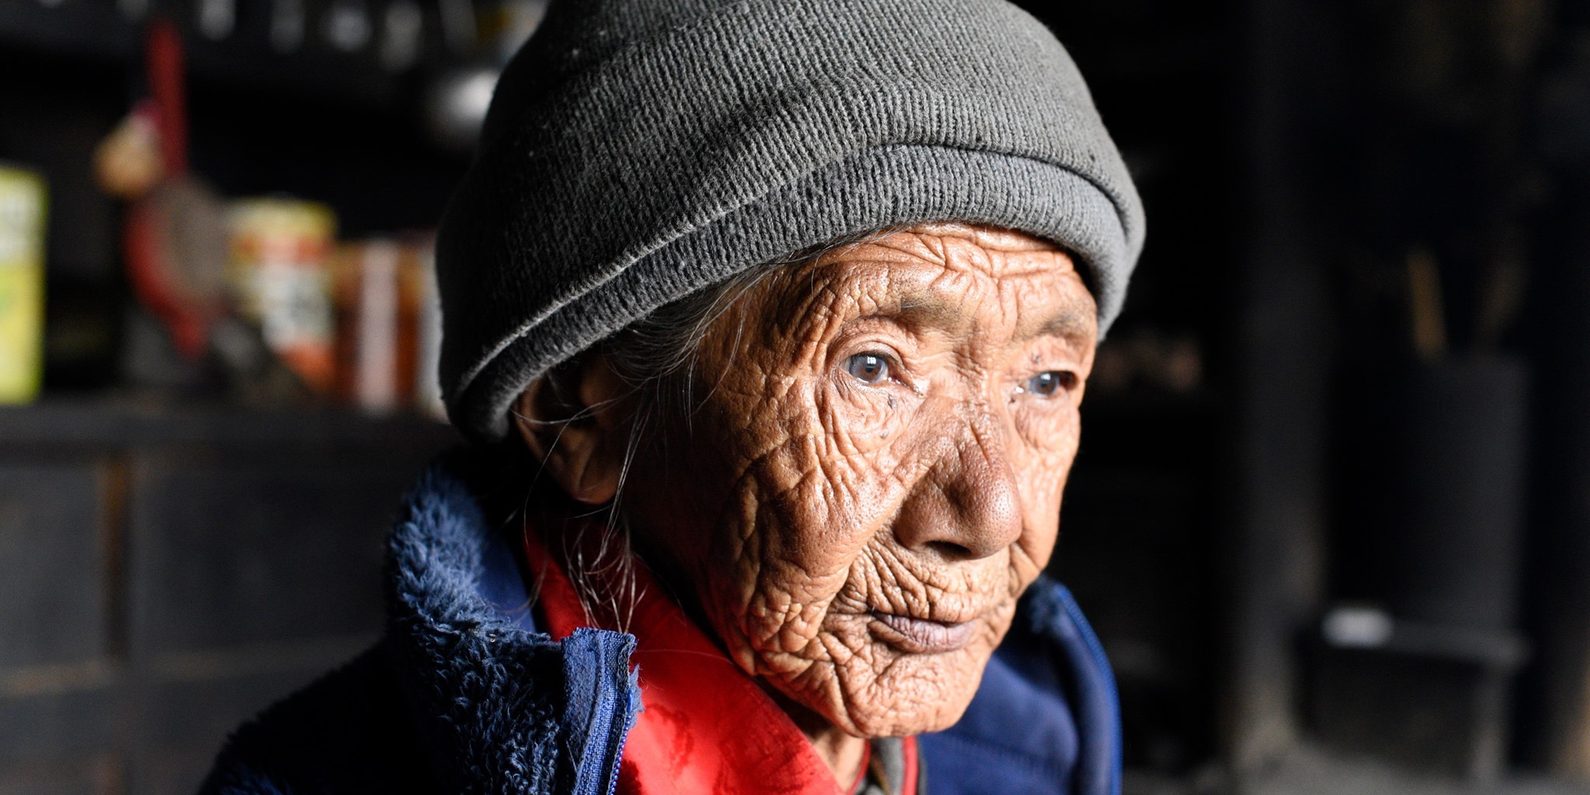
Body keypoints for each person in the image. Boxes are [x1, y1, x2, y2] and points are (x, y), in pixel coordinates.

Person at [202, 0, 1144, 792]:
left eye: (1047, 380)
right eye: (873, 366)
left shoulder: (1036, 752)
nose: (992, 511)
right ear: (583, 410)